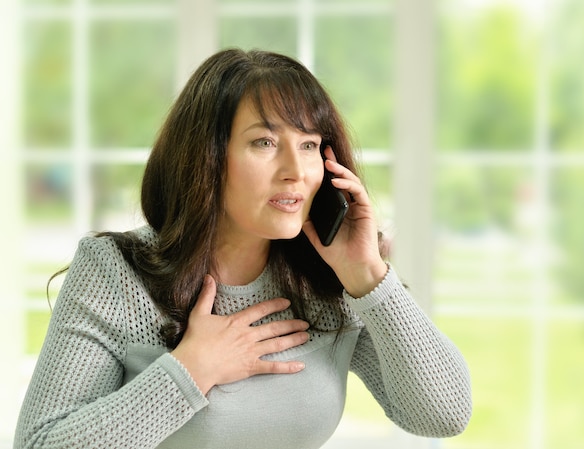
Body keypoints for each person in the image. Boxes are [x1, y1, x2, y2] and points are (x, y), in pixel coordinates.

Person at [14, 48, 472, 449]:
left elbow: (444, 415)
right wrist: (190, 371)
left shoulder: (332, 284)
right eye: (265, 142)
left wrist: (369, 277)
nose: (296, 170)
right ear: (206, 158)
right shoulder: (115, 273)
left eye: (310, 145)